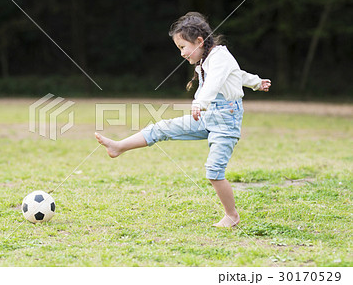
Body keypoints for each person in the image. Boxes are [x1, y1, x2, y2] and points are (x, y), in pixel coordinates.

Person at [95, 12, 271, 227]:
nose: (181, 53)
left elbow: (217, 81)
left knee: (214, 172)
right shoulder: (208, 59)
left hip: (225, 120)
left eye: (182, 47)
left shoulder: (219, 57)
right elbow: (236, 74)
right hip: (207, 116)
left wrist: (201, 102)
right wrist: (255, 82)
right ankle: (119, 146)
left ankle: (232, 215)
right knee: (162, 128)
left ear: (199, 41)